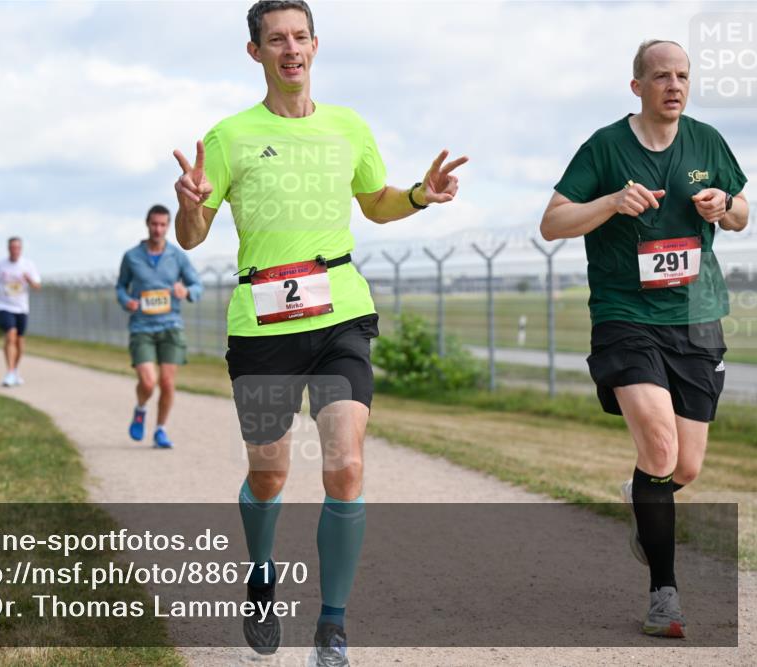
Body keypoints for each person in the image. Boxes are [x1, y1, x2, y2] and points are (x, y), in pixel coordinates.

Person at [172, 2, 466, 663]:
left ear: (314, 45)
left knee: (346, 464)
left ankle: (332, 625)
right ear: (255, 52)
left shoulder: (348, 126)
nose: (291, 48)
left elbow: (375, 203)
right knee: (269, 472)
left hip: (340, 314)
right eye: (276, 39)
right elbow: (193, 237)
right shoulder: (229, 137)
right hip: (263, 326)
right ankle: (262, 575)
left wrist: (418, 195)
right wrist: (191, 207)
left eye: (300, 36)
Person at [540, 40, 748, 639]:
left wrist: (723, 205)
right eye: (661, 76)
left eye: (682, 75)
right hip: (625, 315)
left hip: (696, 316)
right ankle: (665, 596)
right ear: (638, 86)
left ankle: (643, 498)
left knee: (685, 465)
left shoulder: (707, 141)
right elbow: (552, 223)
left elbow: (741, 215)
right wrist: (610, 201)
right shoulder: (605, 147)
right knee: (659, 447)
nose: (674, 85)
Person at [116, 204, 203, 449]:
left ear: (168, 226)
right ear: (147, 224)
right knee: (148, 382)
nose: (158, 229)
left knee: (166, 382)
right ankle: (141, 408)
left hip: (171, 326)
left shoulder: (177, 256)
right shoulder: (132, 256)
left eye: (163, 225)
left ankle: (160, 429)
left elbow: (197, 285)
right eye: (154, 224)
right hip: (141, 327)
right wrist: (126, 300)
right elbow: (121, 286)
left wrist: (186, 291)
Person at [0, 237, 41, 387]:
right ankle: (10, 372)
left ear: (21, 249)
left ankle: (15, 370)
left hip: (21, 307)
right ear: (8, 248)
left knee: (19, 341)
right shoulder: (0, 265)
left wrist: (29, 280)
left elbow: (37, 286)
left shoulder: (28, 265)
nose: (15, 250)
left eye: (17, 247)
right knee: (11, 335)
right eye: (12, 247)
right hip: (4, 305)